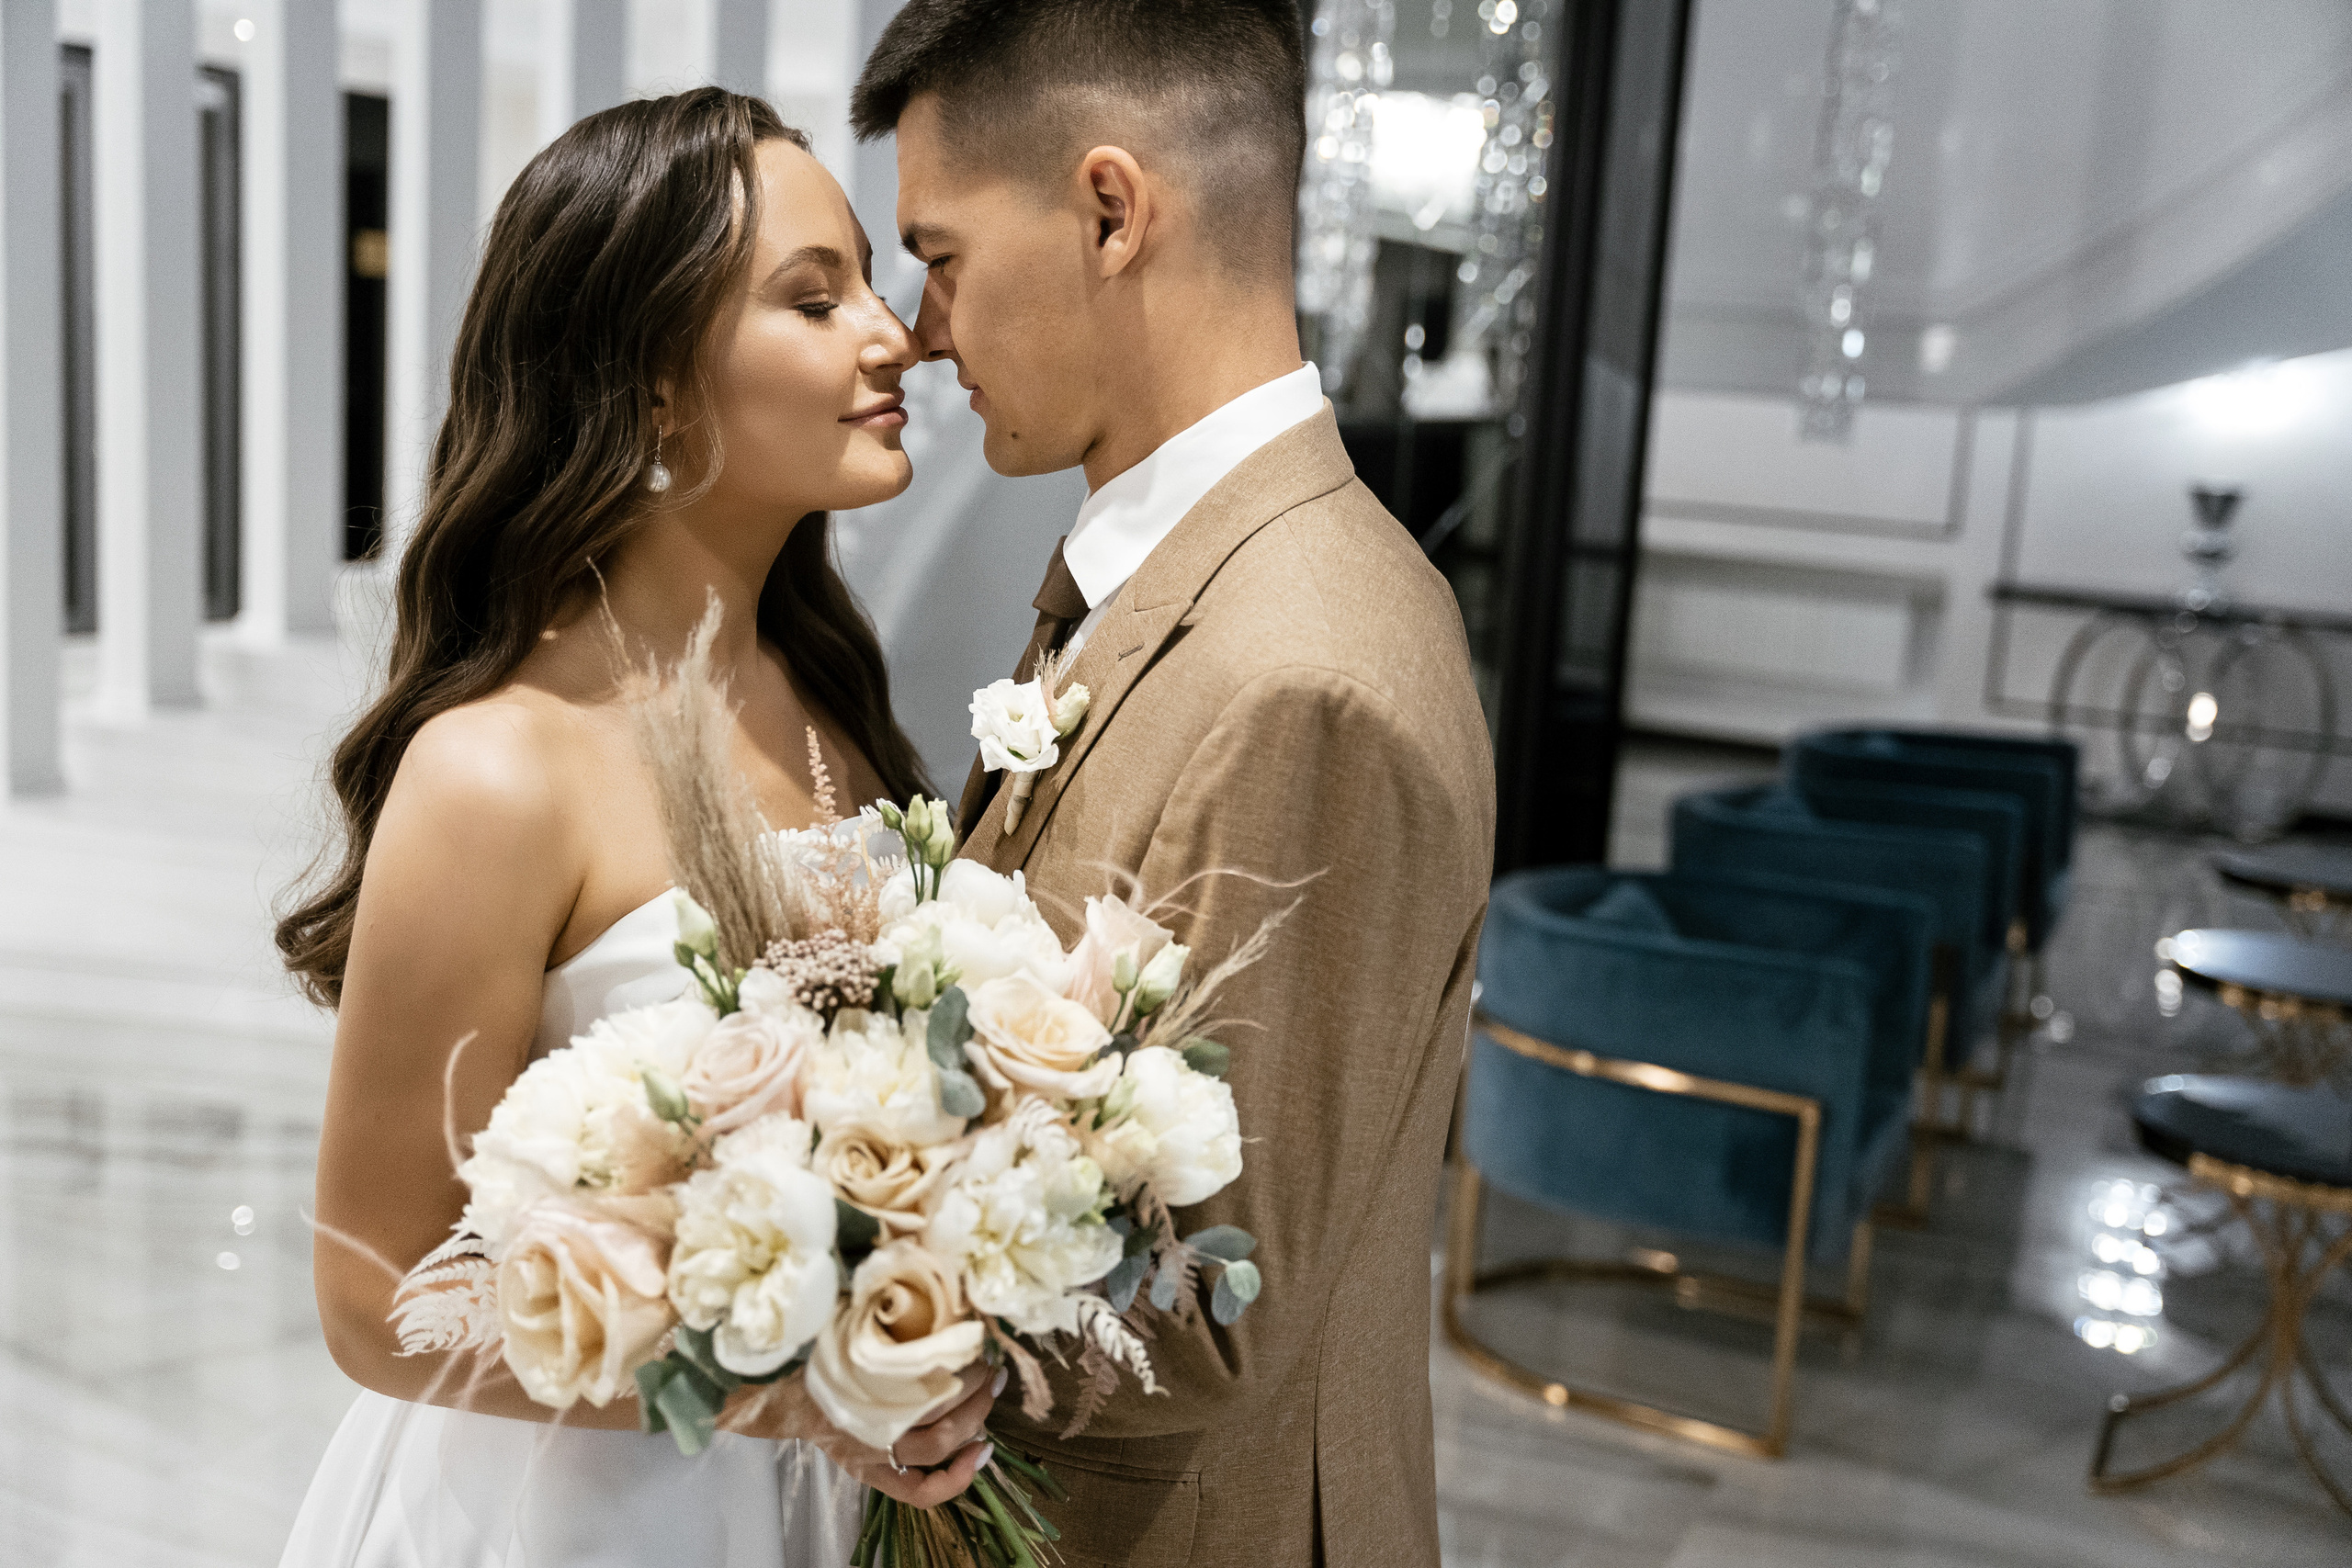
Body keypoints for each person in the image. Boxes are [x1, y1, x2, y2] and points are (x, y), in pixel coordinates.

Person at [272, 90, 998, 1566]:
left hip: (816, 1503)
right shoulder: (496, 773)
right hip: (570, 1513)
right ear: (655, 387)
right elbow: (373, 1294)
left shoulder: (830, 700)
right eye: (816, 296)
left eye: (870, 276)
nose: (894, 333)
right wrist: (774, 1385)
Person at [853, 4, 1498, 1565]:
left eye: (940, 255)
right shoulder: (1203, 582)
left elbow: (1206, 1300)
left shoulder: (1302, 676)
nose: (924, 329)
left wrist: (761, 1264)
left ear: (1111, 211)